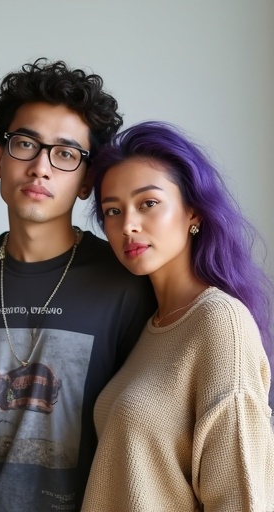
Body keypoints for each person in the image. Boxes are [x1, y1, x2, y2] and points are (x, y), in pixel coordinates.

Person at [0, 59, 156, 512]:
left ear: (86, 182)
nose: (41, 167)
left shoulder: (123, 282)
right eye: (26, 144)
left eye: (65, 154)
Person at [81, 121, 274, 511]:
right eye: (112, 211)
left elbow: (241, 499)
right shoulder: (150, 324)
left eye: (148, 203)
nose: (128, 226)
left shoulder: (221, 323)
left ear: (193, 212)